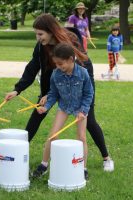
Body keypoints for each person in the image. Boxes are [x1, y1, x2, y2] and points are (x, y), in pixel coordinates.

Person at [5, 13, 114, 172]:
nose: (38, 37)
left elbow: (83, 63)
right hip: (56, 84)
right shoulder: (41, 46)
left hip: (81, 82)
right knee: (38, 112)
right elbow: (33, 67)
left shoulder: (69, 41)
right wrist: (17, 89)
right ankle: (22, 151)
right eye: (36, 34)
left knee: (89, 120)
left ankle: (106, 158)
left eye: (40, 34)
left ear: (50, 31)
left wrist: (83, 99)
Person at [33, 43, 93, 180]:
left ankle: (83, 168)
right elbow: (53, 93)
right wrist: (46, 107)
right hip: (64, 106)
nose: (58, 67)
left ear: (71, 59)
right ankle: (44, 165)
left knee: (82, 137)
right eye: (56, 64)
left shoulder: (83, 73)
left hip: (80, 108)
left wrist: (83, 111)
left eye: (61, 64)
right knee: (52, 136)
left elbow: (89, 94)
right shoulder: (56, 74)